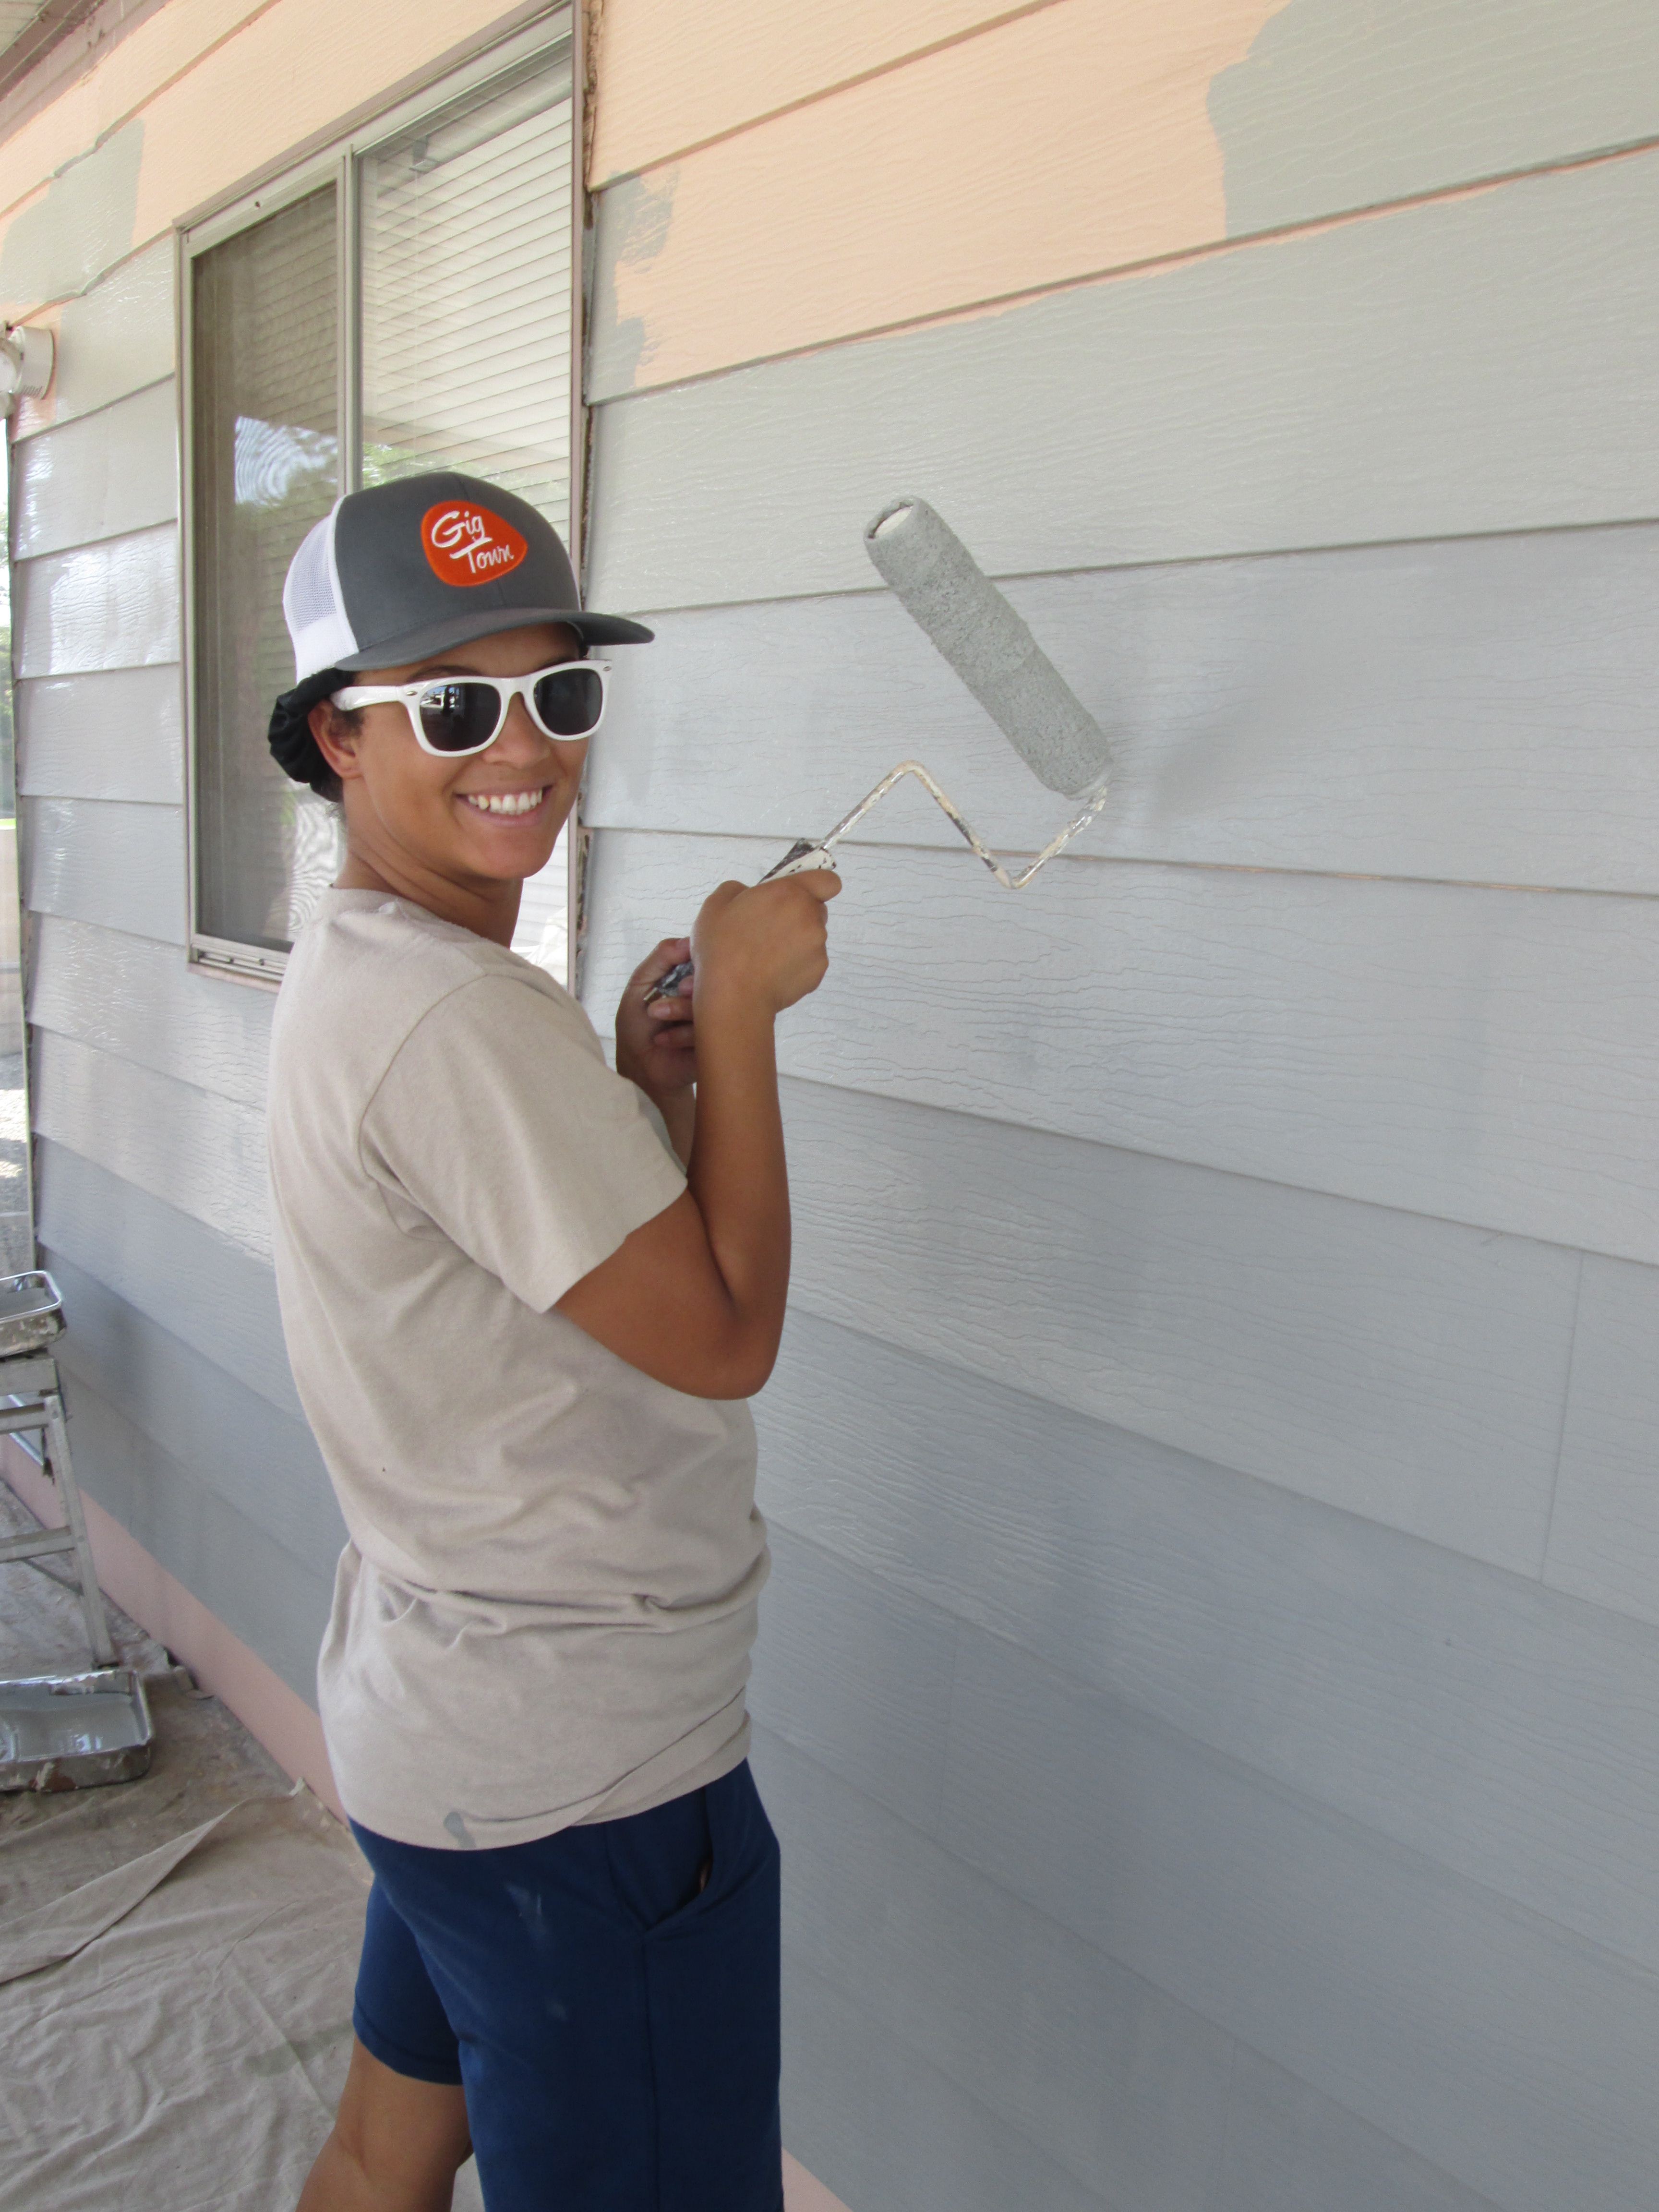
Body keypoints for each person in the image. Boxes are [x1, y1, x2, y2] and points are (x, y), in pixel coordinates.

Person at [262, 471, 839, 2212]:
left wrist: (648, 1082)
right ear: (336, 742)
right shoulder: (452, 1014)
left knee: (386, 2157)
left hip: (446, 1739)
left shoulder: (375, 969)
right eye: (451, 705)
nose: (522, 745)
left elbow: (547, 1275)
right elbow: (726, 1334)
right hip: (584, 1792)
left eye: (558, 693)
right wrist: (738, 1012)